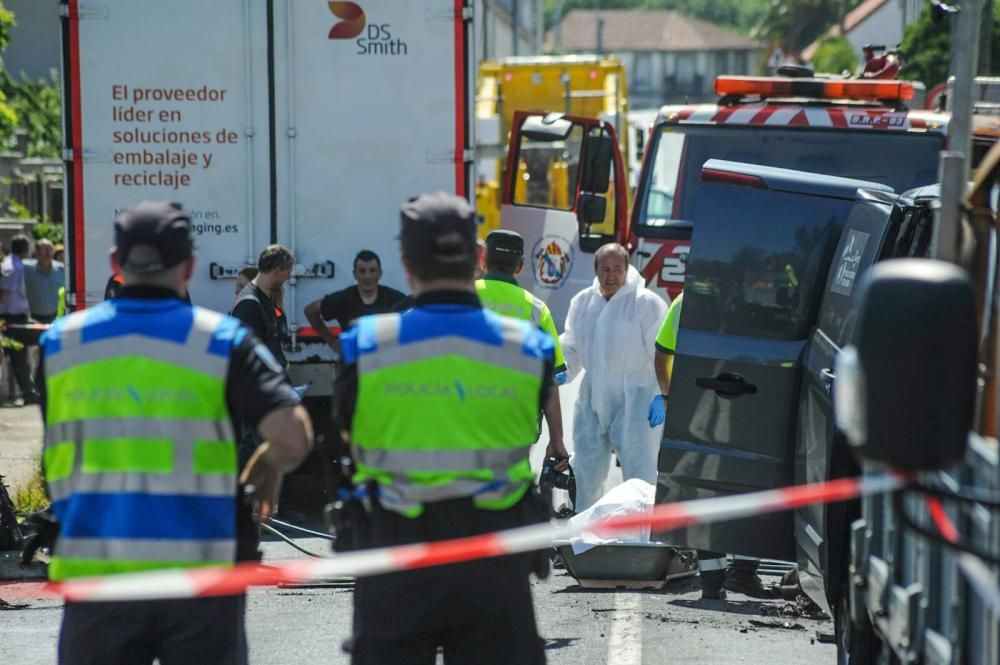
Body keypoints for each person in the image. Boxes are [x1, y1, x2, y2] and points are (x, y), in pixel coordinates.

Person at [39, 200, 313, 665]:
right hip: (200, 581)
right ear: (189, 266)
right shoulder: (221, 341)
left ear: (115, 265)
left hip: (96, 577)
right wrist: (267, 466)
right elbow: (291, 438)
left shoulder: (62, 343)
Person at [335, 192, 551, 665]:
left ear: (406, 263)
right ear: (476, 259)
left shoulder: (367, 345)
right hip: (494, 564)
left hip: (395, 559)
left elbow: (349, 435)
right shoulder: (528, 347)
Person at [650, 292, 768, 600]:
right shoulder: (760, 300)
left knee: (702, 490)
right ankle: (741, 574)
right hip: (747, 406)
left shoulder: (683, 303)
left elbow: (662, 353)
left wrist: (668, 395)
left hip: (696, 407)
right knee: (747, 486)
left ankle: (713, 581)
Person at [560, 243, 667, 511]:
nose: (611, 276)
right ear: (595, 270)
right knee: (585, 470)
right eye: (605, 269)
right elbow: (571, 346)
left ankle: (641, 539)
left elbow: (662, 353)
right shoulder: (583, 302)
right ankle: (582, 538)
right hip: (592, 398)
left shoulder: (646, 304)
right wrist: (560, 371)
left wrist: (664, 394)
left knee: (640, 475)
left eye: (618, 269)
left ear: (628, 269)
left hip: (637, 399)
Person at [475, 229, 569, 466]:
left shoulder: (460, 298)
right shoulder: (536, 310)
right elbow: (550, 380)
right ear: (520, 266)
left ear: (483, 260)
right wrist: (556, 438)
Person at [303, 250, 406, 353]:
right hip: (353, 363)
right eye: (362, 271)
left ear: (380, 273)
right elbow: (310, 311)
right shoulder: (343, 299)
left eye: (372, 270)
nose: (367, 276)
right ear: (354, 274)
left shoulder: (394, 298)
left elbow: (417, 315)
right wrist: (332, 341)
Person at [231, 244, 294, 371]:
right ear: (276, 272)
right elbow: (246, 357)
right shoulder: (249, 304)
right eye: (287, 273)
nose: (289, 277)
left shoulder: (265, 298)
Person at [0, 234, 39, 403]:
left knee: (19, 357)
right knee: (42, 337)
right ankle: (29, 392)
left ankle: (28, 392)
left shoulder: (15, 264)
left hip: (16, 317)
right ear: (25, 249)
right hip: (12, 319)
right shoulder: (12, 266)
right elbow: (3, 289)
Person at [24, 238, 66, 323]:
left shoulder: (62, 269)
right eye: (45, 249)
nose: (48, 252)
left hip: (56, 318)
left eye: (50, 249)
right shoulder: (26, 270)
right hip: (33, 319)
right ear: (37, 253)